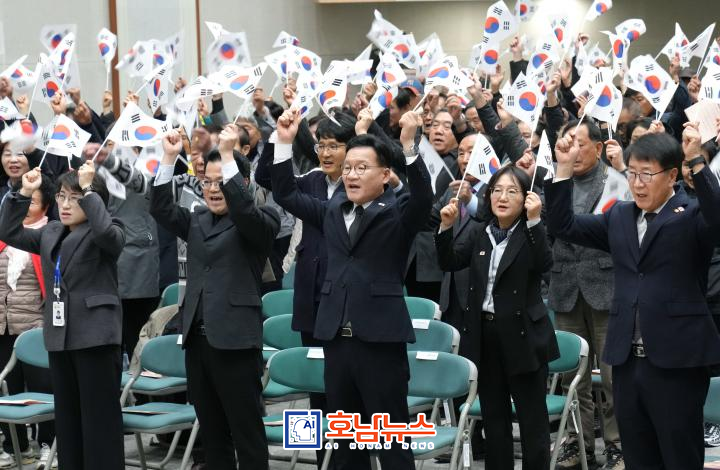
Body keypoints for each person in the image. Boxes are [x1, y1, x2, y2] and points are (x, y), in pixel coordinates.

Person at [545, 130, 720, 470]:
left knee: (679, 455)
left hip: (676, 362)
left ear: (671, 175)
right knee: (638, 455)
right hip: (626, 361)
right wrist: (563, 169)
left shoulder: (691, 214)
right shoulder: (620, 216)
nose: (637, 184)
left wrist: (697, 160)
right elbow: (563, 225)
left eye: (647, 175)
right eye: (632, 173)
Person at [271, 108, 433, 470]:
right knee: (345, 444)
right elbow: (285, 193)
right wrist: (283, 142)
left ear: (385, 175)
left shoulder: (397, 212)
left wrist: (409, 146)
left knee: (391, 441)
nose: (352, 174)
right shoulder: (332, 210)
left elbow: (424, 198)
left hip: (379, 343)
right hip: (336, 341)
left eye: (362, 168)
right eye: (348, 168)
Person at [150, 127, 280, 470]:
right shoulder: (198, 219)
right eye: (206, 182)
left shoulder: (261, 219)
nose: (212, 189)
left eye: (220, 182)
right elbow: (160, 208)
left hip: (235, 342)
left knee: (246, 433)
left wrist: (226, 154)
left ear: (242, 182)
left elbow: (245, 211)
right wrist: (168, 158)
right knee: (212, 435)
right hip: (198, 341)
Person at [0, 161, 126, 470]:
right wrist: (23, 192)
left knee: (99, 421)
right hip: (60, 336)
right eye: (61, 197)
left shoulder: (108, 228)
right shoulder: (51, 231)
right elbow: (7, 231)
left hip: (95, 337)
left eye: (75, 198)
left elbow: (107, 235)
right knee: (68, 422)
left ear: (93, 199)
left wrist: (89, 189)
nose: (65, 205)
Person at [436, 165, 558, 470]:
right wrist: (446, 228)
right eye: (497, 190)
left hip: (523, 336)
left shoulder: (531, 231)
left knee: (532, 420)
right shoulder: (480, 231)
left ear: (526, 198)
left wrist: (535, 221)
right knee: (494, 418)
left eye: (512, 191)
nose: (502, 197)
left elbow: (545, 264)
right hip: (485, 335)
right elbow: (450, 261)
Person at [549, 121, 624, 470]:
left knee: (612, 376)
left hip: (607, 288)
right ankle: (577, 444)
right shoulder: (556, 181)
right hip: (565, 287)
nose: (573, 150)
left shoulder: (614, 181)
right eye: (567, 143)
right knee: (571, 377)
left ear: (598, 147)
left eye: (579, 143)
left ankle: (617, 444)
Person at [0, 174, 56, 469]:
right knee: (8, 388)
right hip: (3, 326)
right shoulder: (4, 236)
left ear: (45, 207)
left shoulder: (49, 237)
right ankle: (15, 446)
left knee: (43, 389)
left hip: (36, 327)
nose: (26, 208)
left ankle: (48, 443)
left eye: (32, 202)